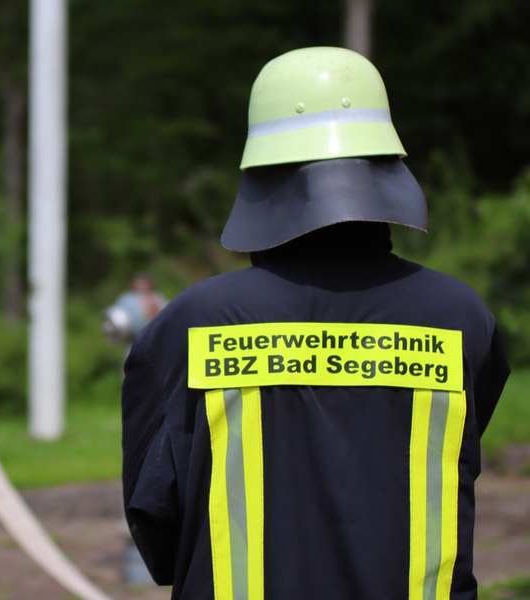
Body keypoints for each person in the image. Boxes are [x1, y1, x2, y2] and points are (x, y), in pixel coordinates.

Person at [121, 47, 510, 600]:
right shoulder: (462, 317)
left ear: (260, 177)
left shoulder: (190, 324)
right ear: (388, 167)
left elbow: (155, 515)